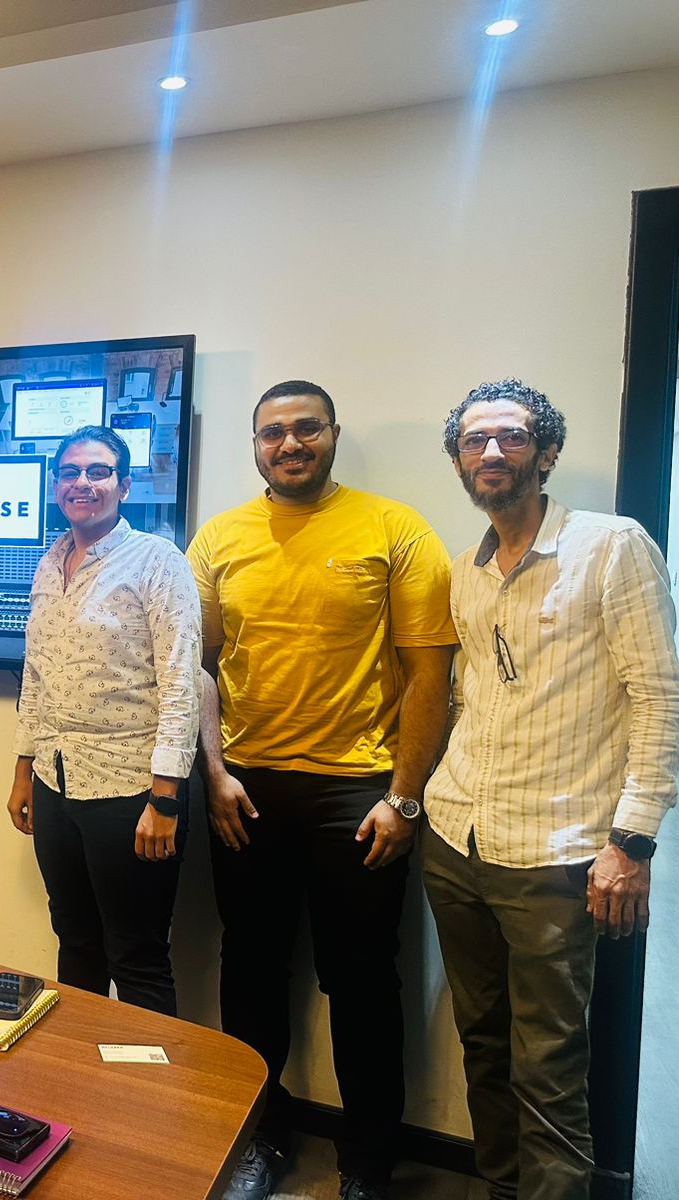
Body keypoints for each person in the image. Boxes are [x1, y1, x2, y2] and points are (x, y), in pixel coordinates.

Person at [188, 380, 456, 1200]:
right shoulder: (220, 537)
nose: (290, 443)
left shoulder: (394, 528)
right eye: (273, 432)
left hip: (359, 794)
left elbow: (430, 674)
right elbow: (197, 667)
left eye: (307, 428)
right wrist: (214, 774)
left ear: (334, 434)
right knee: (251, 970)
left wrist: (404, 797)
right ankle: (260, 1138)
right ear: (255, 445)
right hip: (246, 791)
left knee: (363, 981)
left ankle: (368, 1163)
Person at [422, 380, 679, 1200]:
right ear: (459, 462)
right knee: (483, 1046)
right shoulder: (467, 570)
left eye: (512, 436)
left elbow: (661, 698)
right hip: (456, 840)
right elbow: (473, 695)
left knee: (550, 1070)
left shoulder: (613, 547)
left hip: (557, 856)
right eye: (474, 441)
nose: (491, 452)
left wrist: (632, 842)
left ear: (547, 451)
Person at [6, 426, 200, 1016]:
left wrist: (165, 799)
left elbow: (182, 683)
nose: (82, 483)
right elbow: (35, 676)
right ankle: (79, 1071)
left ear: (124, 485)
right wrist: (23, 773)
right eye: (70, 473)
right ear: (55, 486)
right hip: (55, 784)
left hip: (131, 791)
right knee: (75, 943)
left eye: (98, 472)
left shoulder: (158, 561)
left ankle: (150, 1079)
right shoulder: (49, 562)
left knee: (137, 957)